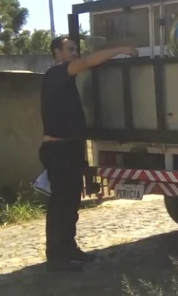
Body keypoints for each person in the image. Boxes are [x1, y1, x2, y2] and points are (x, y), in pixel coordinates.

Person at [40, 35, 138, 272]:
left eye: (76, 49)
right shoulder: (57, 73)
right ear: (57, 52)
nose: (75, 53)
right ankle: (56, 255)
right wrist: (121, 47)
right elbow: (87, 63)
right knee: (61, 204)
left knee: (71, 202)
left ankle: (69, 248)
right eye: (70, 49)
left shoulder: (67, 78)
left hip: (71, 148)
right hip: (59, 150)